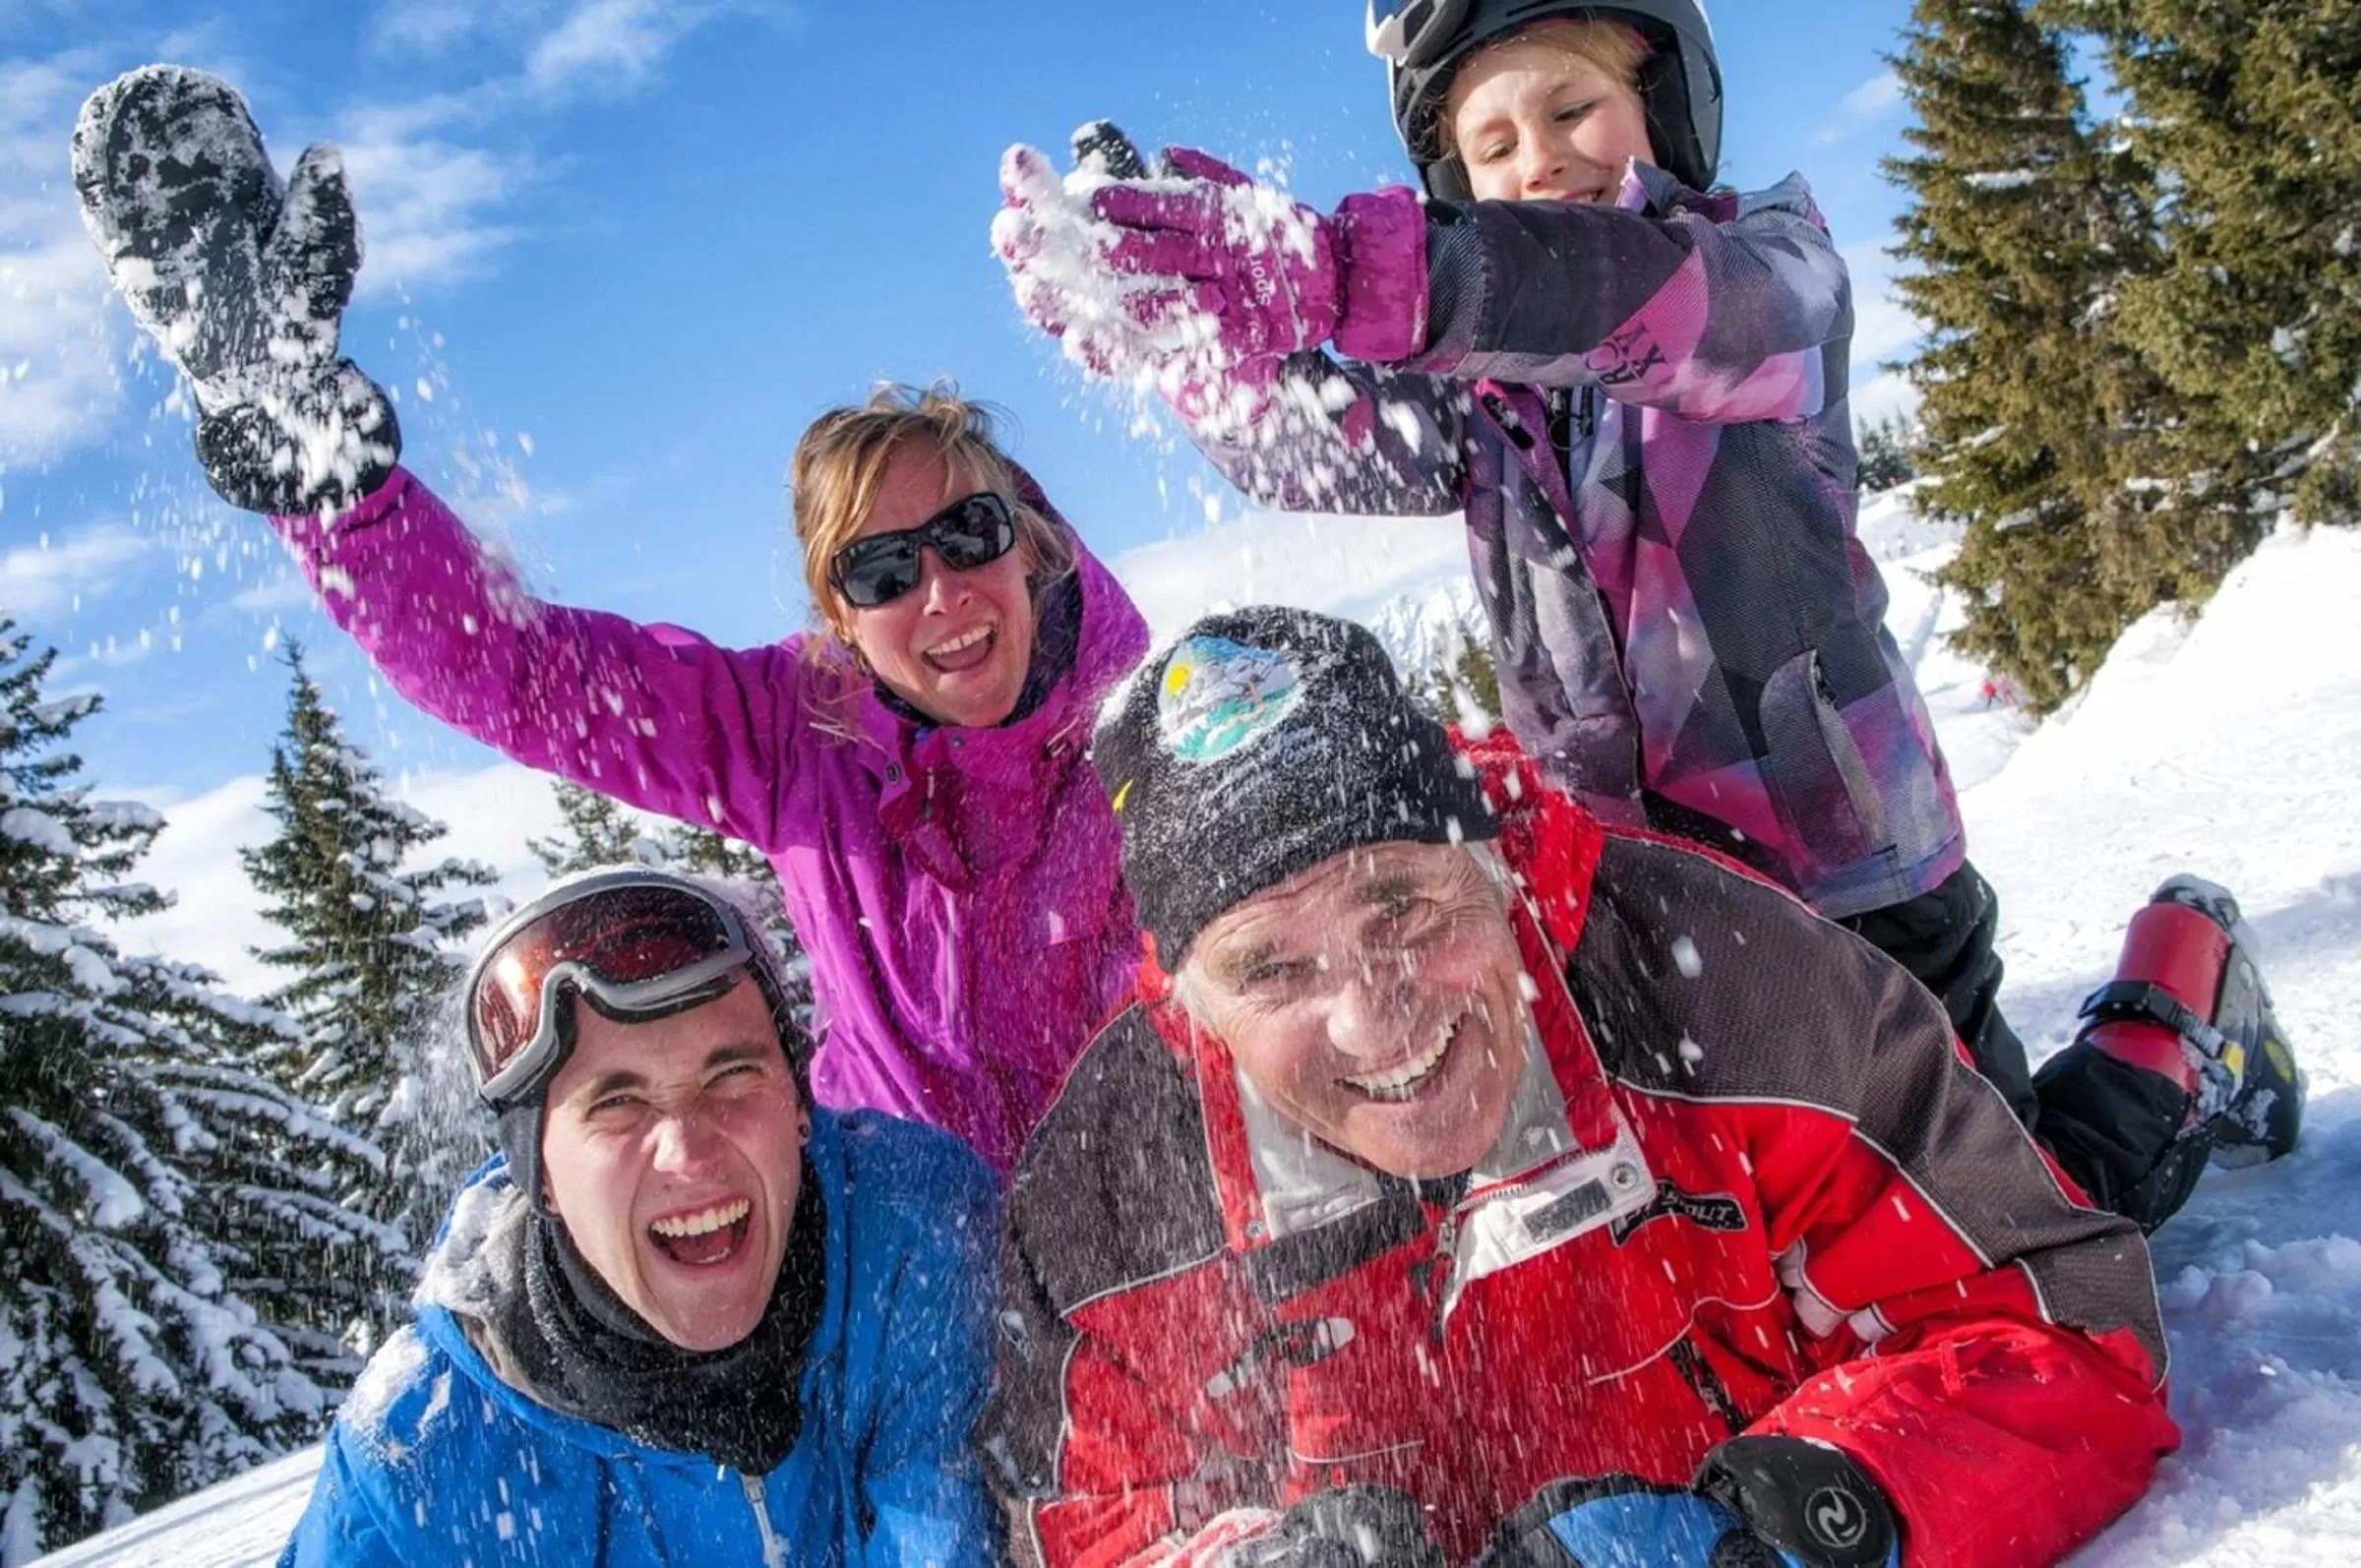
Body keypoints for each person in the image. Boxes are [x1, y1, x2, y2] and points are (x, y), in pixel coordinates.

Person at [991, 2, 2302, 1226]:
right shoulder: (1491, 401)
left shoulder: (1763, 274)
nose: (1540, 161)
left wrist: (1356, 275)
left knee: (2026, 1226)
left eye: (1573, 113)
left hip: (1846, 890)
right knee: (1746, 1255)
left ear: (1664, 110)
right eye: (1493, 145)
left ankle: (2178, 991)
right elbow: (1319, 445)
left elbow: (1635, 302)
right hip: (1635, 908)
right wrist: (1192, 348)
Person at [977, 604, 2306, 1567]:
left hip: (1889, 1192)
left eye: (1403, 904)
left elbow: (2064, 1324)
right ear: (1188, 996)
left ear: (1494, 868)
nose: (1370, 1008)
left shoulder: (1730, 992)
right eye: (1273, 966)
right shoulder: (1109, 1196)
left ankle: (2180, 988)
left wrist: (1782, 1525)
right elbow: (1086, 1525)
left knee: (2092, 1153)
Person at [75, 66, 1150, 1176]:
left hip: (1148, 1265)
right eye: (882, 570)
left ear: (1031, 540)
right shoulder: (799, 740)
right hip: (901, 1264)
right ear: (838, 613)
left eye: (969, 534)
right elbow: (519, 673)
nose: (941, 591)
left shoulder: (1154, 744)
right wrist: (327, 473)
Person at [279, 868, 999, 1565]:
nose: (688, 1151)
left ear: (799, 1107)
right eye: (617, 1103)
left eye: (731, 1075)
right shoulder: (419, 1460)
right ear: (543, 1179)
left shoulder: (917, 1238)